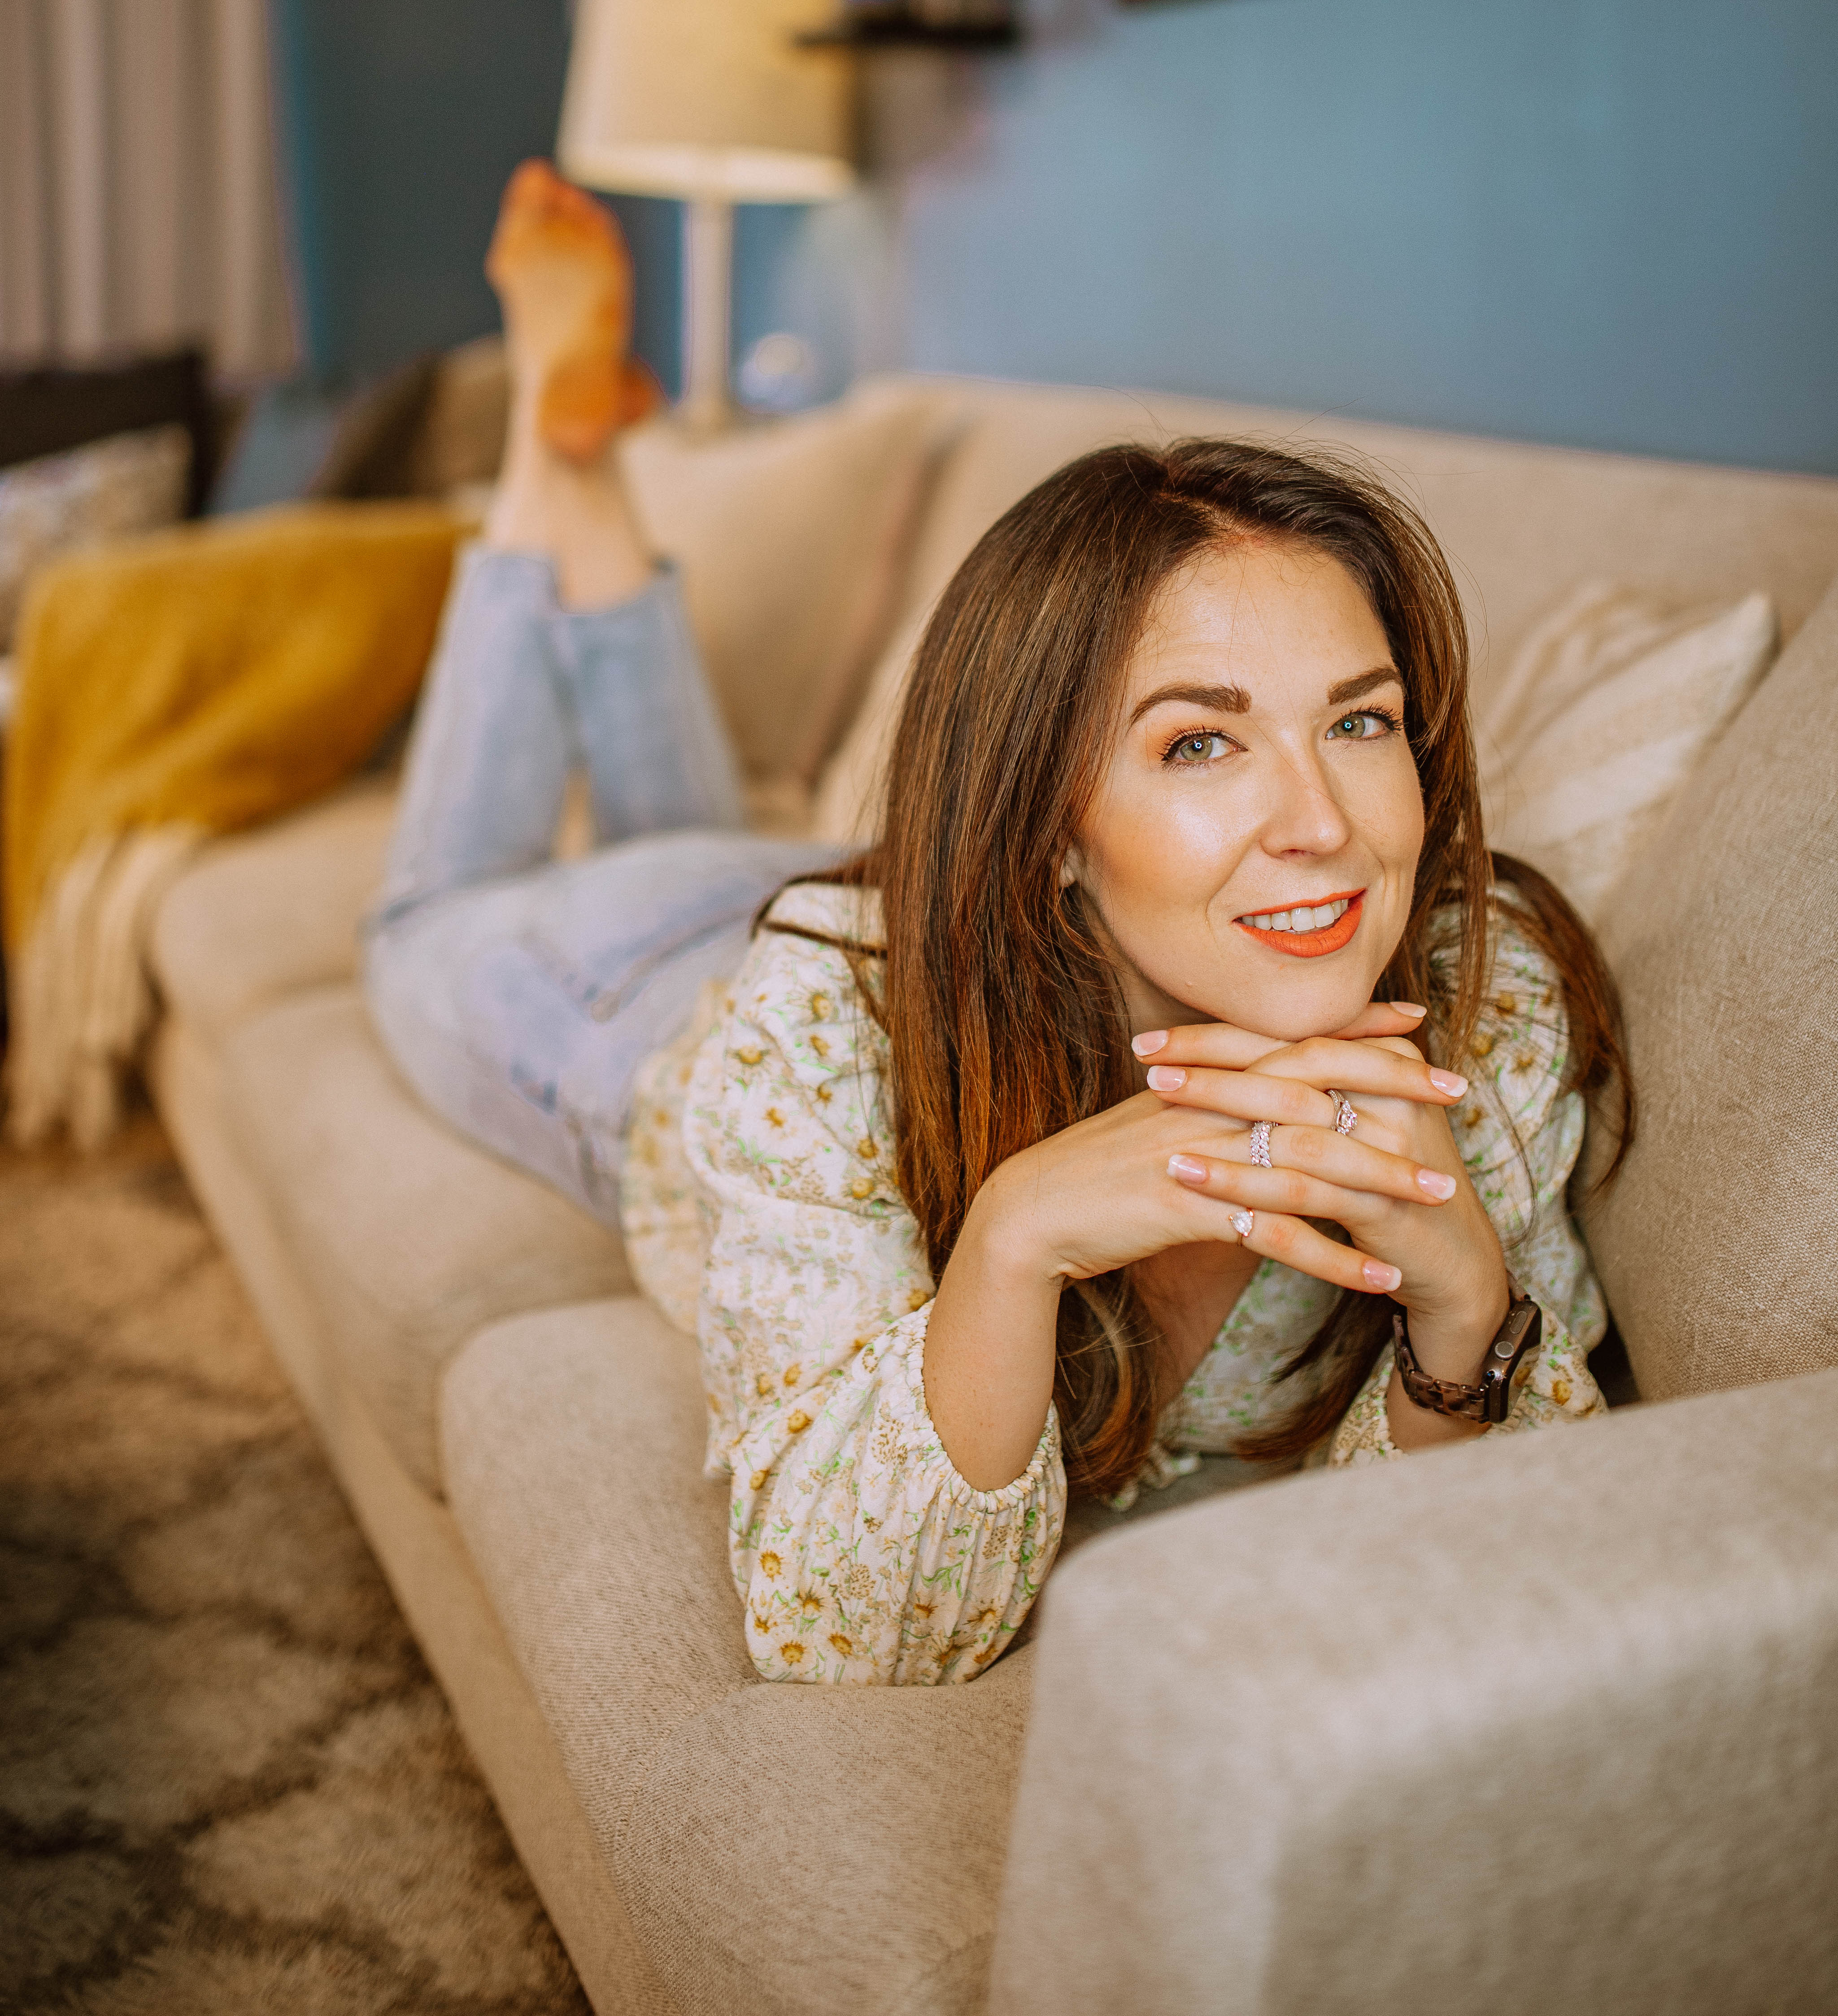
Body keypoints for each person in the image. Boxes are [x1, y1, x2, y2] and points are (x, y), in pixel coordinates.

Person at [366, 161, 1625, 1689]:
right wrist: (1017, 1237)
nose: (1328, 826)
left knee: (686, 836)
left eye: (1360, 726)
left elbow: (1498, 1582)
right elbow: (853, 1631)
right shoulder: (813, 1023)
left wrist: (1465, 1308)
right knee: (428, 916)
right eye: (1201, 743)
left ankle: (585, 471)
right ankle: (548, 466)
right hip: (669, 997)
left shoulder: (1483, 1014)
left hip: (893, 892)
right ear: (1049, 825)